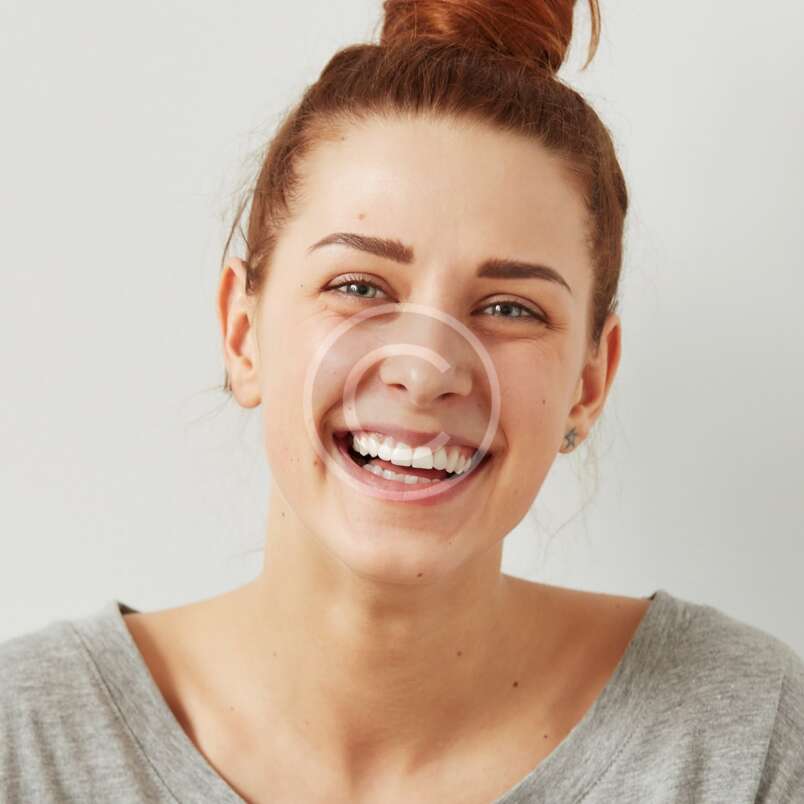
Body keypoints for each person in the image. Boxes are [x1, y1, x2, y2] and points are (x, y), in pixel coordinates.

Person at [2, 1, 803, 802]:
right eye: (358, 287)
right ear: (243, 333)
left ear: (588, 385)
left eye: (510, 308)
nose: (425, 371)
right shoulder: (26, 743)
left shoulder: (742, 743)